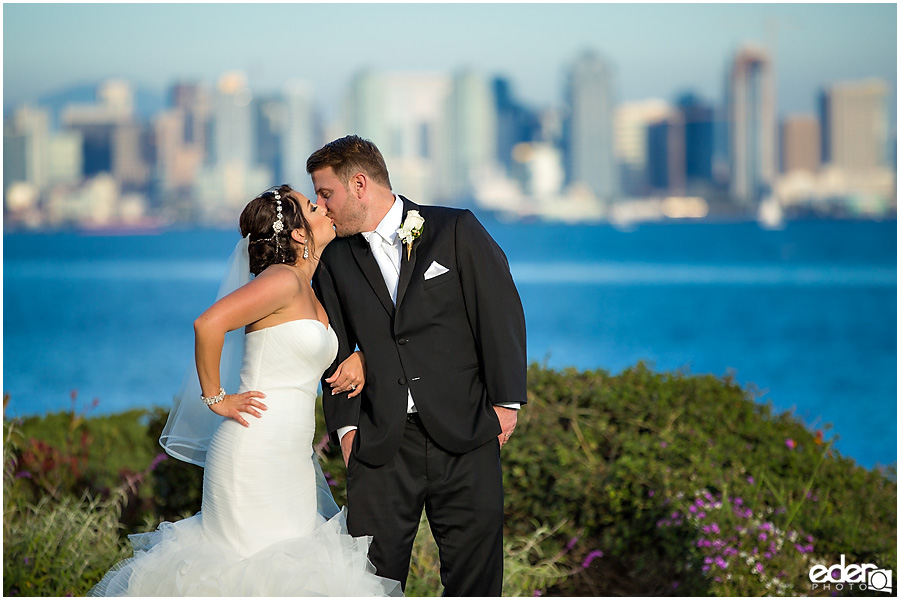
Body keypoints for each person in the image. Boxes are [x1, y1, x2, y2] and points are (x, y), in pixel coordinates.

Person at [89, 185, 401, 597]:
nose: (323, 208)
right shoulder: (283, 280)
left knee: (291, 577)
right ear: (299, 235)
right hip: (252, 453)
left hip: (291, 460)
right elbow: (208, 324)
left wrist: (359, 358)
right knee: (247, 577)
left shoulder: (306, 287)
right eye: (313, 206)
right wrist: (216, 397)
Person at [308, 135, 527, 596]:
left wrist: (506, 404)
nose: (321, 206)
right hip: (381, 443)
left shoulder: (455, 229)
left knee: (476, 582)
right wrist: (347, 430)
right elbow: (334, 348)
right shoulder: (334, 258)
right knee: (369, 584)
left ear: (360, 184)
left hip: (466, 433)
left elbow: (500, 312)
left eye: (326, 194)